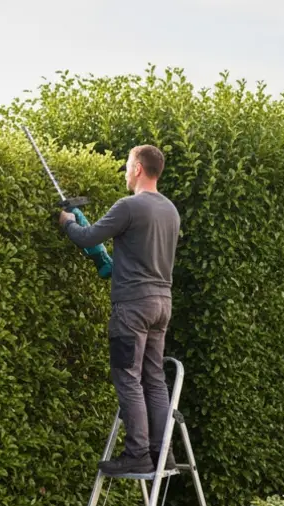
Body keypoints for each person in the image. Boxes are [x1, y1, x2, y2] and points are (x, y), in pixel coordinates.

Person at [58, 145, 180, 476]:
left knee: (128, 377)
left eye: (128, 166)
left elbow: (87, 237)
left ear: (139, 168)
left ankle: (137, 453)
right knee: (154, 378)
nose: (126, 172)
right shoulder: (170, 210)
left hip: (133, 307)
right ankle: (161, 453)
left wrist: (68, 221)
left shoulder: (129, 206)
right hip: (161, 305)